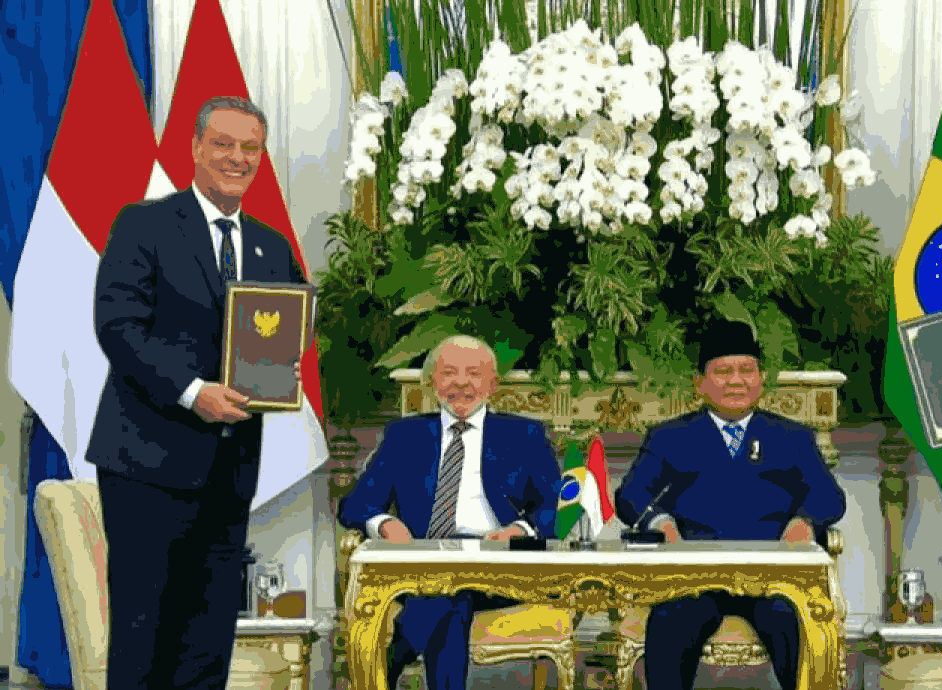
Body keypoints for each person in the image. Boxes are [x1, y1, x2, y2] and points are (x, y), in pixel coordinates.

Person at [87, 96, 305, 690]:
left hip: (230, 470)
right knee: (144, 635)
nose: (238, 158)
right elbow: (118, 327)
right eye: (224, 144)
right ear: (196, 147)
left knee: (207, 640)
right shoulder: (144, 224)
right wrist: (192, 392)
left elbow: (287, 333)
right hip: (146, 465)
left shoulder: (272, 245)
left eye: (251, 148)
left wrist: (282, 370)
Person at [614, 321, 847, 690]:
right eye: (722, 372)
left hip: (771, 579)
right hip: (694, 576)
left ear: (761, 380)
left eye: (746, 370)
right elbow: (630, 496)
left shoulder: (792, 437)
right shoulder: (669, 437)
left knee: (796, 622)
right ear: (699, 384)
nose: (736, 381)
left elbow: (829, 497)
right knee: (671, 620)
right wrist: (660, 523)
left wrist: (804, 522)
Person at [338, 335, 562, 690]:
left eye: (473, 373)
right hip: (422, 565)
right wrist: (385, 524)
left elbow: (555, 507)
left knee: (449, 591)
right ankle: (390, 666)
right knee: (452, 595)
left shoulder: (525, 434)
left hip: (499, 567)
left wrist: (518, 530)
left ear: (493, 384)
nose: (461, 383)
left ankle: (387, 665)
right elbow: (355, 504)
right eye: (449, 373)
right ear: (432, 383)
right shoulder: (404, 435)